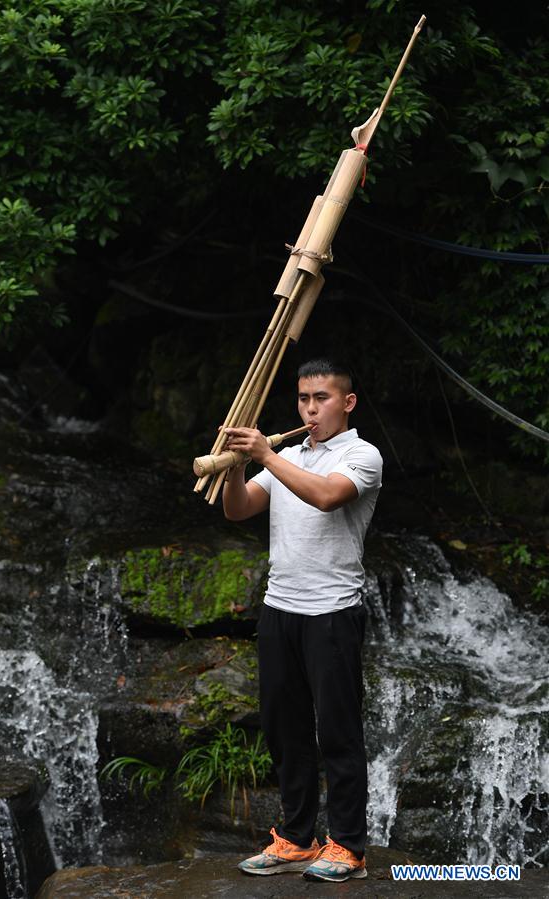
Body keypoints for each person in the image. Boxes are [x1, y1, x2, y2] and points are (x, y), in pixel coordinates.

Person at [222, 358, 383, 883]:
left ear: (347, 402)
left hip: (332, 612)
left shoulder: (362, 456)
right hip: (279, 609)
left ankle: (349, 848)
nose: (310, 409)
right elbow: (239, 509)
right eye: (303, 400)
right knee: (284, 730)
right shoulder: (288, 454)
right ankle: (296, 837)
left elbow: (326, 496)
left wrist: (265, 453)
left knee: (337, 732)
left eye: (322, 398)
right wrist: (237, 467)